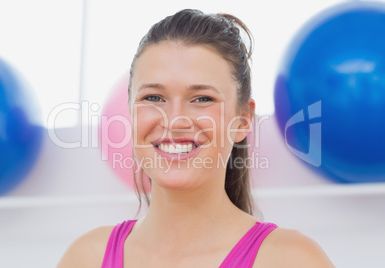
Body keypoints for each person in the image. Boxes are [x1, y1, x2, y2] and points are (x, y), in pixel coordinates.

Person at [58, 9, 334, 267]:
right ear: (130, 111)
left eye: (202, 98)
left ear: (242, 121)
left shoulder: (291, 259)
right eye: (153, 97)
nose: (176, 120)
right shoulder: (86, 257)